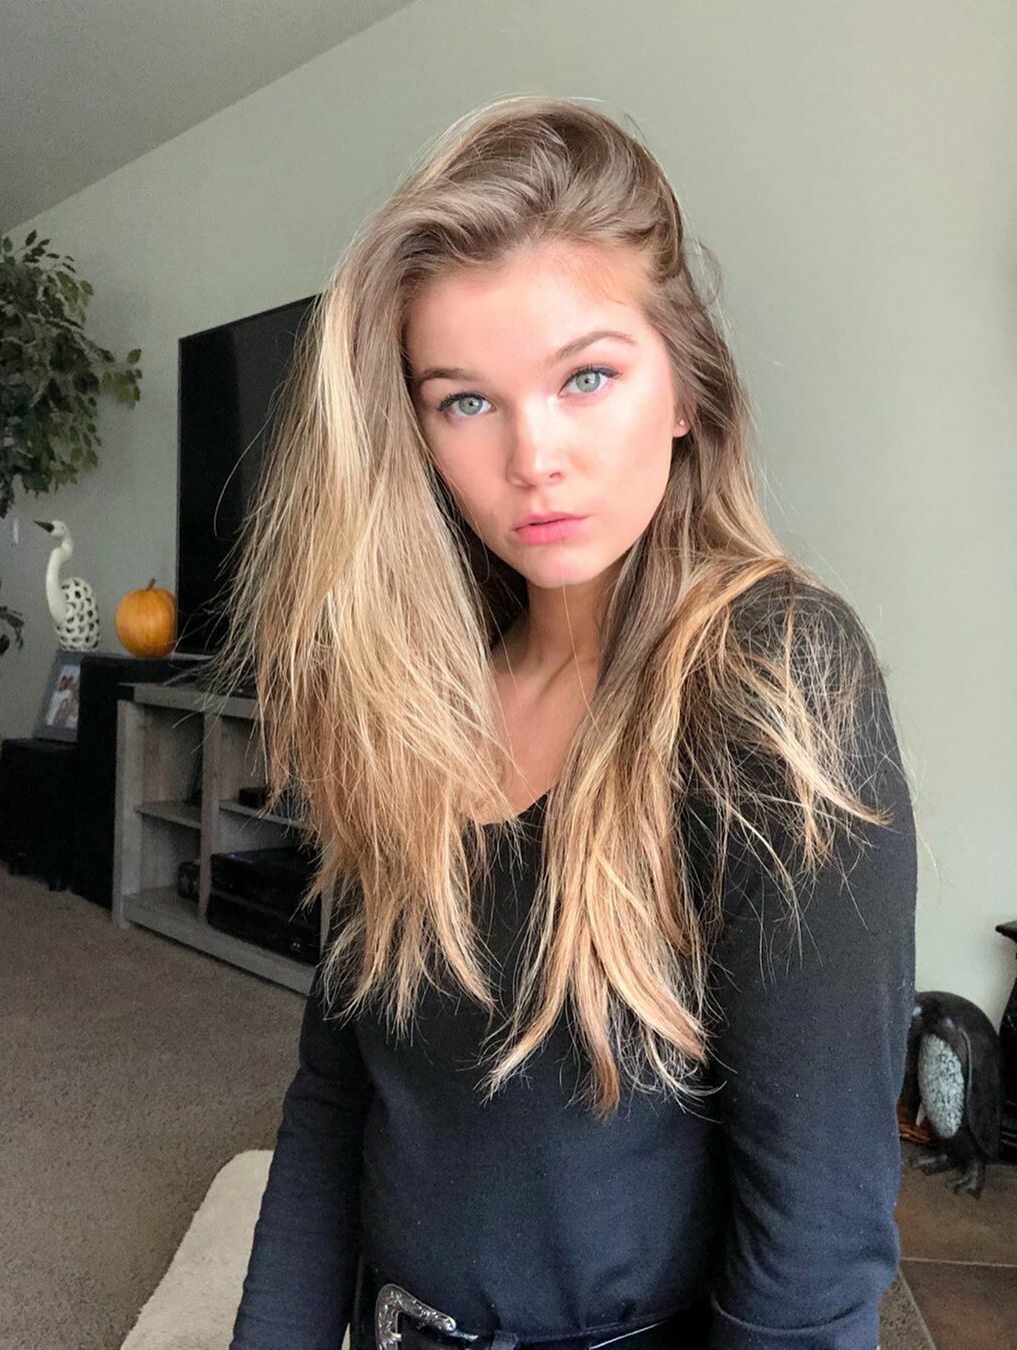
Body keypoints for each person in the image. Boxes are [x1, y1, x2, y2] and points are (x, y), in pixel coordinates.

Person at [211, 95, 917, 1350]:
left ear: (687, 389)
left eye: (587, 376)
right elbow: (335, 1099)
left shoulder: (779, 680)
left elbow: (811, 1255)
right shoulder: (415, 696)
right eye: (464, 401)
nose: (532, 456)